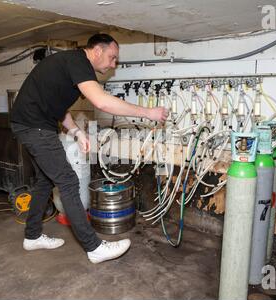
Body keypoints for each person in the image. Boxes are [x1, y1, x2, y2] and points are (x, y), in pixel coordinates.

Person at [10, 33, 169, 264]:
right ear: (97, 51)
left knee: (45, 181)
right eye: (112, 57)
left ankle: (32, 236)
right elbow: (102, 101)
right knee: (68, 181)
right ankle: (94, 248)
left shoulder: (72, 65)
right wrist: (148, 112)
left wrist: (76, 131)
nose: (113, 63)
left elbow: (58, 108)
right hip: (35, 127)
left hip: (33, 124)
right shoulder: (78, 62)